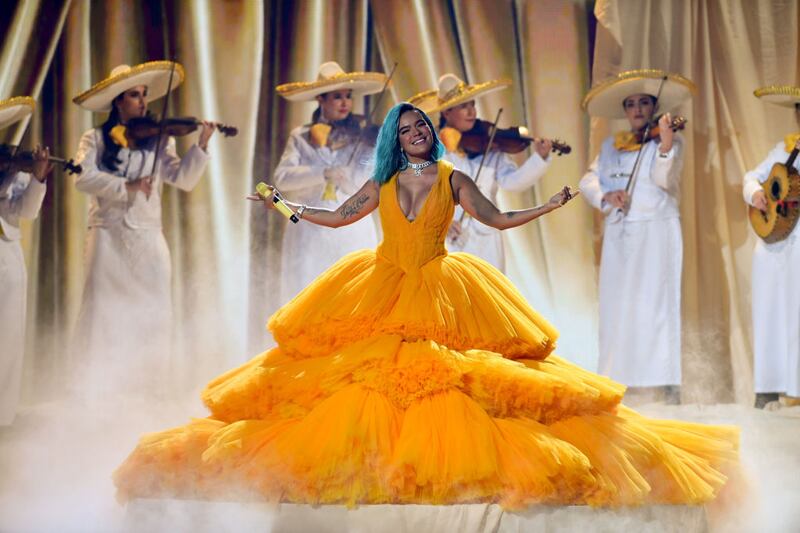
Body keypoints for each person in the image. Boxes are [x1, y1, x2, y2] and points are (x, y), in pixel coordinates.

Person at [113, 103, 737, 508]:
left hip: (441, 285)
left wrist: (547, 207)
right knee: (361, 377)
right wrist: (281, 204)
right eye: (405, 129)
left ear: (431, 135)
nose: (415, 134)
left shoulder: (451, 177)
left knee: (453, 378)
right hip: (383, 280)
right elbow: (334, 217)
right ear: (394, 138)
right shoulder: (383, 182)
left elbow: (496, 215)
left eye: (421, 128)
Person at [70, 61, 214, 396]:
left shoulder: (159, 140)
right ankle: (99, 395)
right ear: (118, 101)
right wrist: (127, 186)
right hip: (108, 237)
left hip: (149, 238)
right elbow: (81, 177)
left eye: (145, 95)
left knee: (154, 315)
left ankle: (146, 394)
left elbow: (184, 179)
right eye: (134, 95)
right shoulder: (94, 139)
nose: (143, 102)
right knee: (103, 316)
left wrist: (202, 145)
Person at [579, 69, 694, 404]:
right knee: (618, 306)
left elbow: (663, 179)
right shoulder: (611, 146)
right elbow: (589, 180)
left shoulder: (670, 141)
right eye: (632, 104)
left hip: (657, 229)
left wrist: (666, 143)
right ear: (625, 111)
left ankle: (666, 381)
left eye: (645, 103)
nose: (639, 109)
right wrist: (605, 196)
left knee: (657, 305)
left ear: (654, 107)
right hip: (620, 234)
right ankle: (618, 378)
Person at [408, 74, 552, 271]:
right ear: (447, 113)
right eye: (463, 106)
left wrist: (540, 158)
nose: (471, 111)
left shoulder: (490, 143)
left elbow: (513, 182)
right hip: (449, 240)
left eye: (472, 104)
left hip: (487, 238)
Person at [273, 61, 386, 303]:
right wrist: (322, 172)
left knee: (352, 295)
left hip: (352, 226)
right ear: (321, 100)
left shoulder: (364, 136)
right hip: (311, 228)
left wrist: (349, 179)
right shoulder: (301, 136)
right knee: (310, 293)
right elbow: (282, 178)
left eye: (348, 96)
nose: (345, 102)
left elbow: (372, 183)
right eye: (337, 97)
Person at [744, 85, 800, 408]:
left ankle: (794, 386)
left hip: (798, 242)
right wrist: (755, 193)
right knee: (768, 313)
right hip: (771, 242)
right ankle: (766, 387)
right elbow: (753, 175)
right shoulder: (783, 148)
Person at [0, 96, 52, 425]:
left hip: (7, 255)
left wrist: (37, 178)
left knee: (7, 335)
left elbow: (25, 212)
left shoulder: (9, 162)